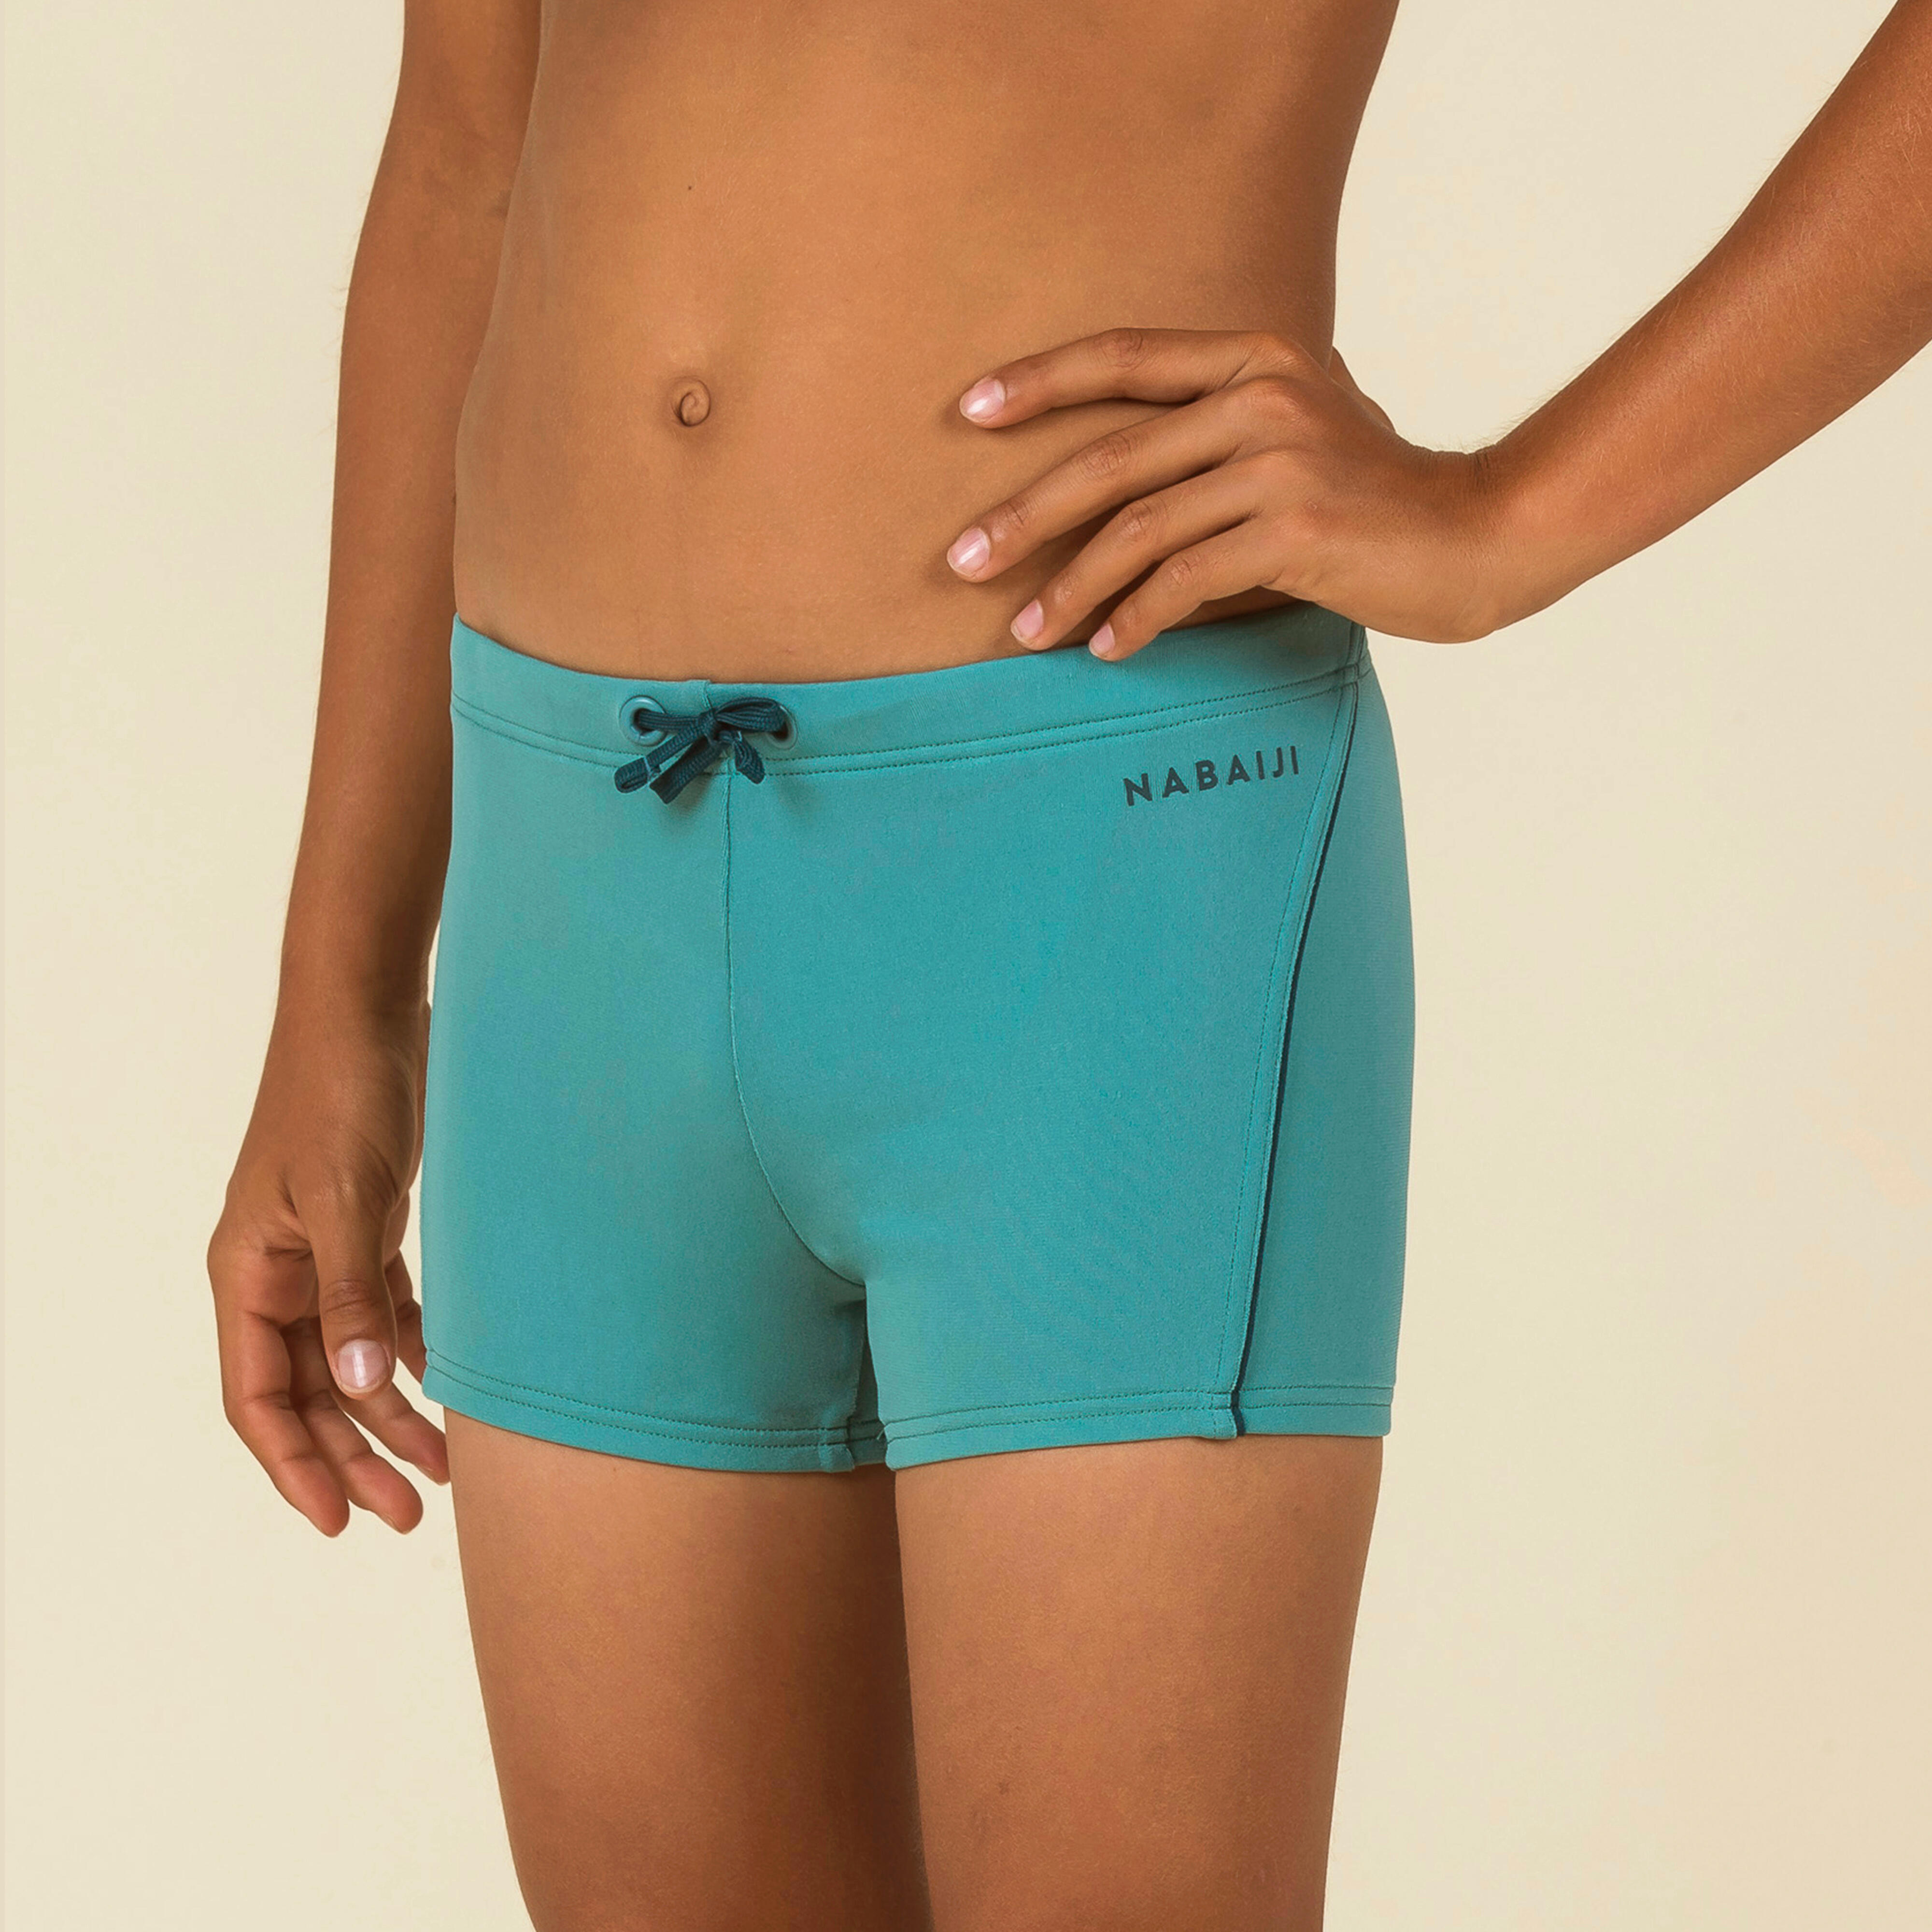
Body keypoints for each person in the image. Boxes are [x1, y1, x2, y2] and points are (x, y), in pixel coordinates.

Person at [205, 3, 1932, 1926]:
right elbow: (467, 153)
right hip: (571, 891)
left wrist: (1512, 520)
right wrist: (341, 986)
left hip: (1101, 864)